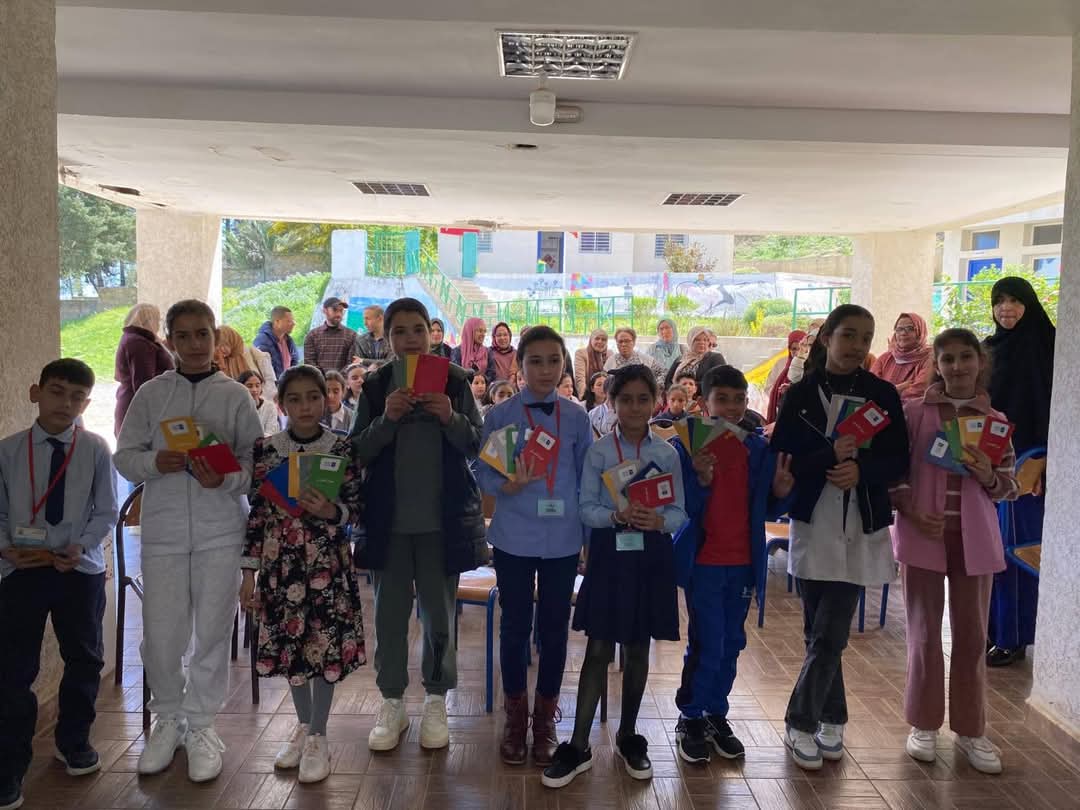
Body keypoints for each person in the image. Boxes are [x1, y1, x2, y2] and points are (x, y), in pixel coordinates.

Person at [114, 300, 263, 784]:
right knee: (161, 635)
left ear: (216, 339)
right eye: (183, 335)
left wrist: (225, 479)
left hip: (221, 530)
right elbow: (124, 455)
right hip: (164, 532)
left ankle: (201, 725)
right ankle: (168, 718)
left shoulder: (235, 397)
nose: (194, 344)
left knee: (213, 632)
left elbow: (256, 466)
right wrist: (154, 463)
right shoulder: (153, 393)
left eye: (203, 334)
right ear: (171, 341)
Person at [770, 304, 909, 771]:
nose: (857, 345)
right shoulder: (800, 395)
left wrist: (861, 470)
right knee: (820, 632)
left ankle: (799, 721)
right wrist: (829, 456)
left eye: (866, 337)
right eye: (848, 335)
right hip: (815, 522)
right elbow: (785, 459)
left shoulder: (882, 395)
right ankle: (833, 716)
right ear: (827, 337)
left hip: (861, 523)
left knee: (830, 631)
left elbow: (898, 460)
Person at [350, 298, 485, 753]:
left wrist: (450, 416)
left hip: (440, 523)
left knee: (439, 615)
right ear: (387, 339)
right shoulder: (375, 387)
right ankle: (391, 701)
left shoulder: (455, 381)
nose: (410, 339)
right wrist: (386, 419)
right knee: (388, 616)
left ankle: (435, 698)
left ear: (432, 333)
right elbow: (356, 452)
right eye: (399, 331)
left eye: (418, 330)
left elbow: (477, 445)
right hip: (387, 523)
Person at [542, 365, 687, 789]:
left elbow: (679, 512)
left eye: (643, 399)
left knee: (638, 647)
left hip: (651, 555)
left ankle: (628, 737)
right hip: (610, 553)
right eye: (626, 400)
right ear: (612, 403)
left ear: (656, 402)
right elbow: (585, 507)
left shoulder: (666, 454)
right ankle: (578, 745)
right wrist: (614, 515)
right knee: (599, 648)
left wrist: (658, 521)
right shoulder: (600, 451)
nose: (635, 408)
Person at [891, 329, 1017, 775]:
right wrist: (909, 509)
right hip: (923, 536)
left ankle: (971, 730)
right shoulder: (914, 413)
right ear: (937, 364)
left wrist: (987, 475)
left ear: (980, 362)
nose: (958, 366)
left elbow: (1008, 486)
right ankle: (923, 724)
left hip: (975, 541)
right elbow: (894, 475)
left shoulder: (996, 421)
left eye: (966, 357)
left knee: (972, 636)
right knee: (924, 633)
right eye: (948, 359)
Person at [0, 359, 118, 810]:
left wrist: (81, 545)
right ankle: (10, 765)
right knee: (14, 668)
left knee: (84, 658)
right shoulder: (9, 451)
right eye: (56, 391)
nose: (64, 403)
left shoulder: (95, 448)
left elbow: (106, 510)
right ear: (36, 392)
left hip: (78, 570)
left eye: (76, 397)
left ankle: (74, 742)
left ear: (85, 404)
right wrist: (6, 548)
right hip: (21, 570)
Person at [240, 365, 366, 784]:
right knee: (292, 645)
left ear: (326, 399)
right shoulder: (267, 450)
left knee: (324, 647)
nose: (305, 406)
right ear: (281, 404)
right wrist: (249, 574)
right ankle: (303, 724)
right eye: (294, 399)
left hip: (328, 564)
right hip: (282, 566)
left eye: (313, 397)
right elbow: (257, 516)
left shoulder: (342, 447)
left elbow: (357, 508)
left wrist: (332, 511)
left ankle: (319, 735)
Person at [479, 326, 593, 767]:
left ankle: (544, 719)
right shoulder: (501, 415)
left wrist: (588, 542)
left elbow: (587, 480)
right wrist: (504, 485)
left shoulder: (577, 417)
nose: (546, 370)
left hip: (562, 537)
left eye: (554, 360)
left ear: (564, 364)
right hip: (514, 536)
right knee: (514, 625)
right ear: (519, 365)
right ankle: (515, 716)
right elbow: (482, 471)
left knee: (554, 628)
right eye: (535, 361)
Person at [670, 365, 794, 764]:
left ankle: (715, 713)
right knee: (707, 641)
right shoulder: (686, 447)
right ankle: (691, 715)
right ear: (703, 403)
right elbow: (680, 508)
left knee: (732, 642)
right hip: (705, 561)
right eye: (722, 399)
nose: (732, 407)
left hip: (743, 562)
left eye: (739, 399)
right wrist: (700, 478)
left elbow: (766, 507)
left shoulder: (757, 448)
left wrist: (781, 493)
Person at [983, 277, 1055, 667]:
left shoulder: (1050, 346)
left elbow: (1058, 410)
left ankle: (1014, 636)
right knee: (987, 549)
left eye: (1014, 300)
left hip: (1030, 462)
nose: (1005, 308)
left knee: (1017, 550)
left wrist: (1050, 462)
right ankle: (993, 631)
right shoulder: (988, 349)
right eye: (999, 301)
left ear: (1029, 304)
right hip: (988, 460)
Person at [114, 303, 174, 437]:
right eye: (157, 320)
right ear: (148, 320)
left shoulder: (137, 338)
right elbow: (143, 382)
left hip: (135, 401)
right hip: (139, 406)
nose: (158, 325)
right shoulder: (139, 343)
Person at [870, 314, 934, 401]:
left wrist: (884, 392)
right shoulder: (885, 358)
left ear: (920, 331)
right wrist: (896, 389)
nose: (903, 333)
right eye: (899, 329)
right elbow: (870, 389)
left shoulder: (929, 359)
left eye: (910, 328)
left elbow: (918, 393)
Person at [216, 325, 278, 402]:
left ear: (233, 340)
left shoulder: (253, 353)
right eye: (218, 345)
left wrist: (259, 400)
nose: (222, 349)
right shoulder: (219, 359)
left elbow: (269, 381)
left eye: (225, 344)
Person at [303, 297, 359, 375]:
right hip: (319, 380)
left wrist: (337, 379)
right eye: (335, 310)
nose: (339, 314)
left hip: (343, 381)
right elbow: (309, 363)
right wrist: (322, 378)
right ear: (324, 311)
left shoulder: (352, 335)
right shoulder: (312, 335)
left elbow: (351, 363)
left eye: (341, 311)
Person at [763, 330, 807, 425]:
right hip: (780, 409)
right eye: (793, 349)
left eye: (800, 348)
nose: (796, 352)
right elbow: (768, 387)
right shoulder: (780, 363)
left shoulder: (809, 365)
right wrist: (780, 393)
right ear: (789, 349)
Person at [253, 306, 299, 381]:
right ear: (277, 321)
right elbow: (264, 371)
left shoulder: (289, 340)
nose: (294, 323)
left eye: (293, 320)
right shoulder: (262, 341)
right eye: (288, 321)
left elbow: (294, 362)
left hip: (287, 383)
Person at [237, 370, 281, 437]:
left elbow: (270, 432)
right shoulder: (235, 407)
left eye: (257, 386)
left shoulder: (270, 407)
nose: (254, 390)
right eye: (249, 386)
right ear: (240, 387)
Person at [574, 329, 609, 399]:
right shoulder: (581, 353)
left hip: (604, 396)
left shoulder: (609, 354)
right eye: (597, 338)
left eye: (603, 339)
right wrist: (584, 398)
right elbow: (580, 379)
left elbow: (610, 380)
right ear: (591, 340)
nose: (600, 341)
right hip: (587, 394)